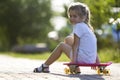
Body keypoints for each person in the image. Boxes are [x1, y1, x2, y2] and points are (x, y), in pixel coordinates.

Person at [33, 2, 100, 73]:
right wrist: (97, 61)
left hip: (83, 58)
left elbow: (75, 45)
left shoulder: (78, 26)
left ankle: (45, 66)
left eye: (75, 16)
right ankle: (77, 69)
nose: (71, 18)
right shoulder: (87, 28)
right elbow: (92, 46)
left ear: (83, 17)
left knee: (62, 45)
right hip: (90, 59)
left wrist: (73, 62)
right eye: (70, 16)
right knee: (68, 39)